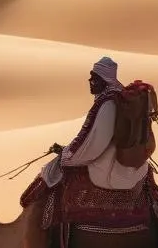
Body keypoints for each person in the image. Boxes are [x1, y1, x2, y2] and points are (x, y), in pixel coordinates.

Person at [39, 56, 150, 192]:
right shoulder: (114, 98)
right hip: (116, 157)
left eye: (95, 78)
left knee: (52, 174)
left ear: (105, 80)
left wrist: (67, 155)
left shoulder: (108, 104)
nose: (90, 81)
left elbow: (95, 145)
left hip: (110, 166)